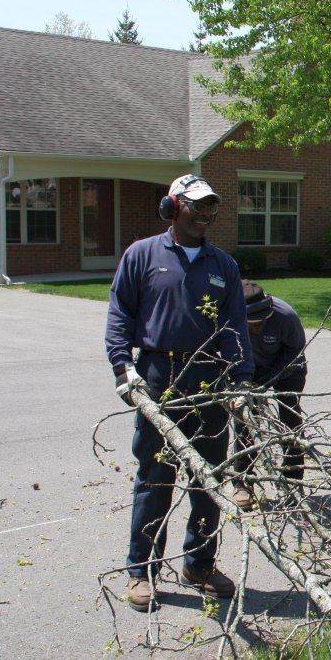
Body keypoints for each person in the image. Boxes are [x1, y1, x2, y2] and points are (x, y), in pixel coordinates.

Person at [105, 174, 254, 612]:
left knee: (207, 478)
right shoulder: (142, 255)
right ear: (172, 208)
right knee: (154, 477)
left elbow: (234, 329)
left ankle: (199, 565)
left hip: (208, 379)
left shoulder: (223, 265)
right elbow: (119, 313)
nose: (205, 214)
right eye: (196, 206)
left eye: (211, 207)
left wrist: (240, 381)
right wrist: (123, 368)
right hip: (157, 375)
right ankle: (141, 571)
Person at [233, 281, 308, 509]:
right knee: (244, 419)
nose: (258, 327)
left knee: (289, 420)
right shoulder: (231, 318)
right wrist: (242, 381)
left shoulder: (286, 316)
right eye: (252, 323)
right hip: (250, 370)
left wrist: (270, 380)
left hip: (288, 369)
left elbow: (295, 351)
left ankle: (293, 480)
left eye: (262, 322)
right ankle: (243, 482)